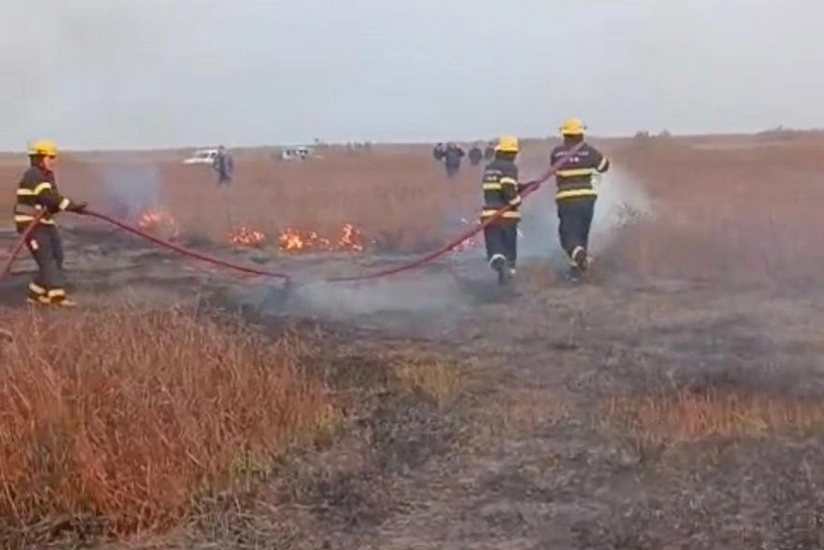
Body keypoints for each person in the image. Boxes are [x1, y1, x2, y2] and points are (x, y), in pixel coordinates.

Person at [13, 140, 87, 306]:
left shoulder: (47, 177)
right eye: (51, 156)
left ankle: (35, 294)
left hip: (44, 223)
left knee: (57, 256)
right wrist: (72, 206)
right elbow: (49, 199)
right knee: (46, 259)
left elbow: (51, 204)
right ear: (40, 158)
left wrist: (69, 206)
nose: (54, 160)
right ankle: (57, 296)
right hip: (30, 223)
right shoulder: (34, 175)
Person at [549, 118, 611, 280]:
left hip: (566, 199)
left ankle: (579, 260)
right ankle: (576, 270)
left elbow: (554, 170)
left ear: (565, 134)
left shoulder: (557, 152)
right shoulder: (589, 151)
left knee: (568, 235)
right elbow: (604, 166)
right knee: (582, 234)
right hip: (587, 198)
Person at [480, 135, 524, 285]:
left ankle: (501, 270)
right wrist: (517, 201)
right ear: (512, 153)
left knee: (495, 250)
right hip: (508, 216)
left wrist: (524, 186)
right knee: (509, 250)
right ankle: (508, 275)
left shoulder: (490, 168)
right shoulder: (509, 167)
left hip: (490, 216)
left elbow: (498, 187)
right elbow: (507, 188)